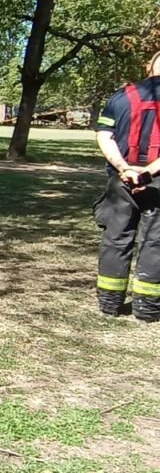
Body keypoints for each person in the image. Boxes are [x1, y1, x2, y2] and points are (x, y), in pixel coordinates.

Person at [93, 50, 160, 320]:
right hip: (156, 181)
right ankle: (147, 308)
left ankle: (109, 303)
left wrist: (124, 168)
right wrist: (147, 172)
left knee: (115, 238)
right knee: (155, 241)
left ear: (149, 67)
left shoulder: (122, 96)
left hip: (121, 179)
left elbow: (104, 136)